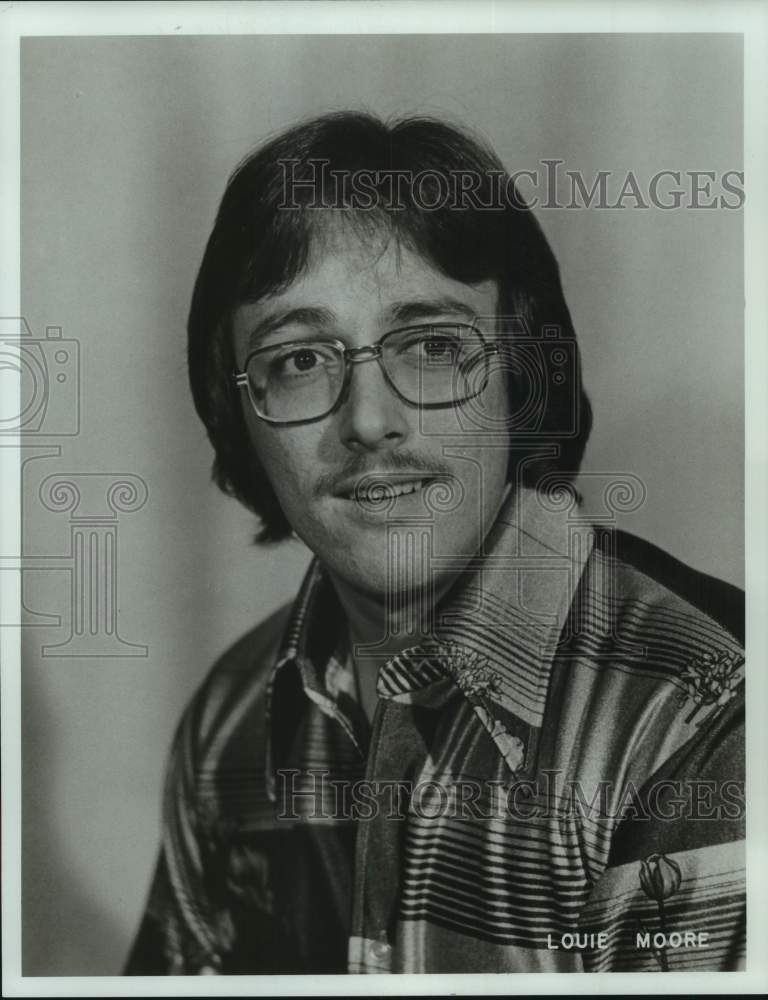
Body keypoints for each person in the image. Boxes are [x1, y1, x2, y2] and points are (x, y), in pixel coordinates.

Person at [125, 111, 744, 975]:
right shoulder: (231, 722)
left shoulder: (702, 712)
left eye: (432, 346)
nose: (369, 421)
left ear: (523, 374)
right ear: (238, 417)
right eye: (300, 360)